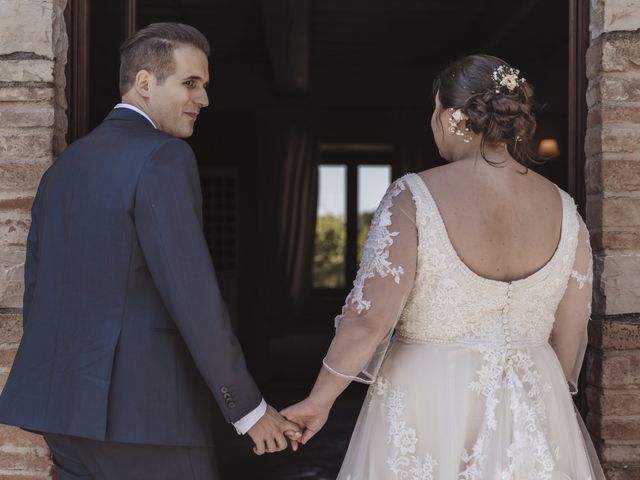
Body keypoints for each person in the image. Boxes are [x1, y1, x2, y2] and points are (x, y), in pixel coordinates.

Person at [282, 54, 605, 479]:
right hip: (535, 399)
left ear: (450, 114)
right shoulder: (566, 210)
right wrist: (543, 406)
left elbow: (368, 319)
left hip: (430, 401)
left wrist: (319, 400)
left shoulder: (413, 197)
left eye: (433, 110)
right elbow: (571, 330)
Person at [0, 22, 299, 480]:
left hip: (64, 416)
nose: (203, 99)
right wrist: (248, 408)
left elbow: (39, 290)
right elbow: (191, 294)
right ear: (145, 82)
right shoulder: (163, 157)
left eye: (204, 85)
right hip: (146, 418)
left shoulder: (63, 168)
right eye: (190, 83)